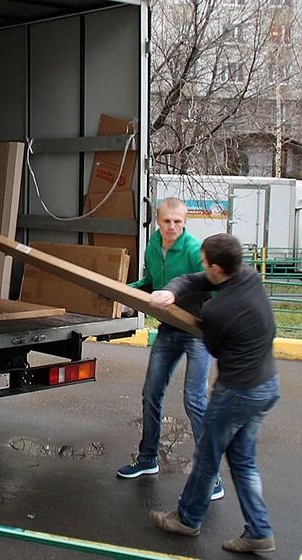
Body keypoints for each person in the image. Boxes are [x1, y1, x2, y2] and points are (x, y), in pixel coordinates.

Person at [148, 233, 279, 554]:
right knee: (243, 459)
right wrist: (171, 291)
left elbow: (214, 347)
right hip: (266, 385)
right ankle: (259, 531)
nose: (202, 266)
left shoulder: (218, 311)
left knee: (207, 454)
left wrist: (207, 314)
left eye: (206, 262)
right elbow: (194, 280)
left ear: (218, 269)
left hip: (238, 392)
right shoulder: (249, 277)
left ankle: (188, 518)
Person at [117, 198, 223, 500]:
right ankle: (147, 459)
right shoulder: (153, 247)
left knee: (195, 400)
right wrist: (126, 294)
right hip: (167, 330)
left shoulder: (194, 250)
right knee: (151, 392)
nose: (172, 227)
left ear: (185, 221)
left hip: (195, 332)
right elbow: (152, 282)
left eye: (178, 221)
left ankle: (211, 476)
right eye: (167, 221)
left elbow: (214, 288)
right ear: (158, 221)